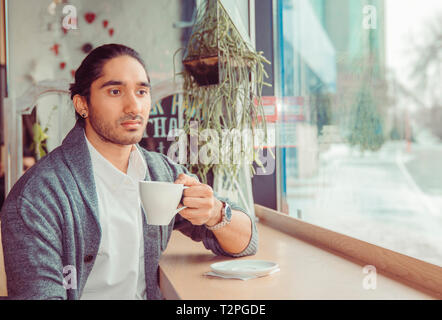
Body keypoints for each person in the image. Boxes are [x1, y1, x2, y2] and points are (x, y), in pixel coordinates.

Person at [0, 44, 257, 300]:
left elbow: (246, 242)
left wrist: (214, 212)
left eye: (142, 91)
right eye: (115, 91)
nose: (133, 106)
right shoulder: (36, 197)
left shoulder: (160, 173)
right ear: (82, 104)